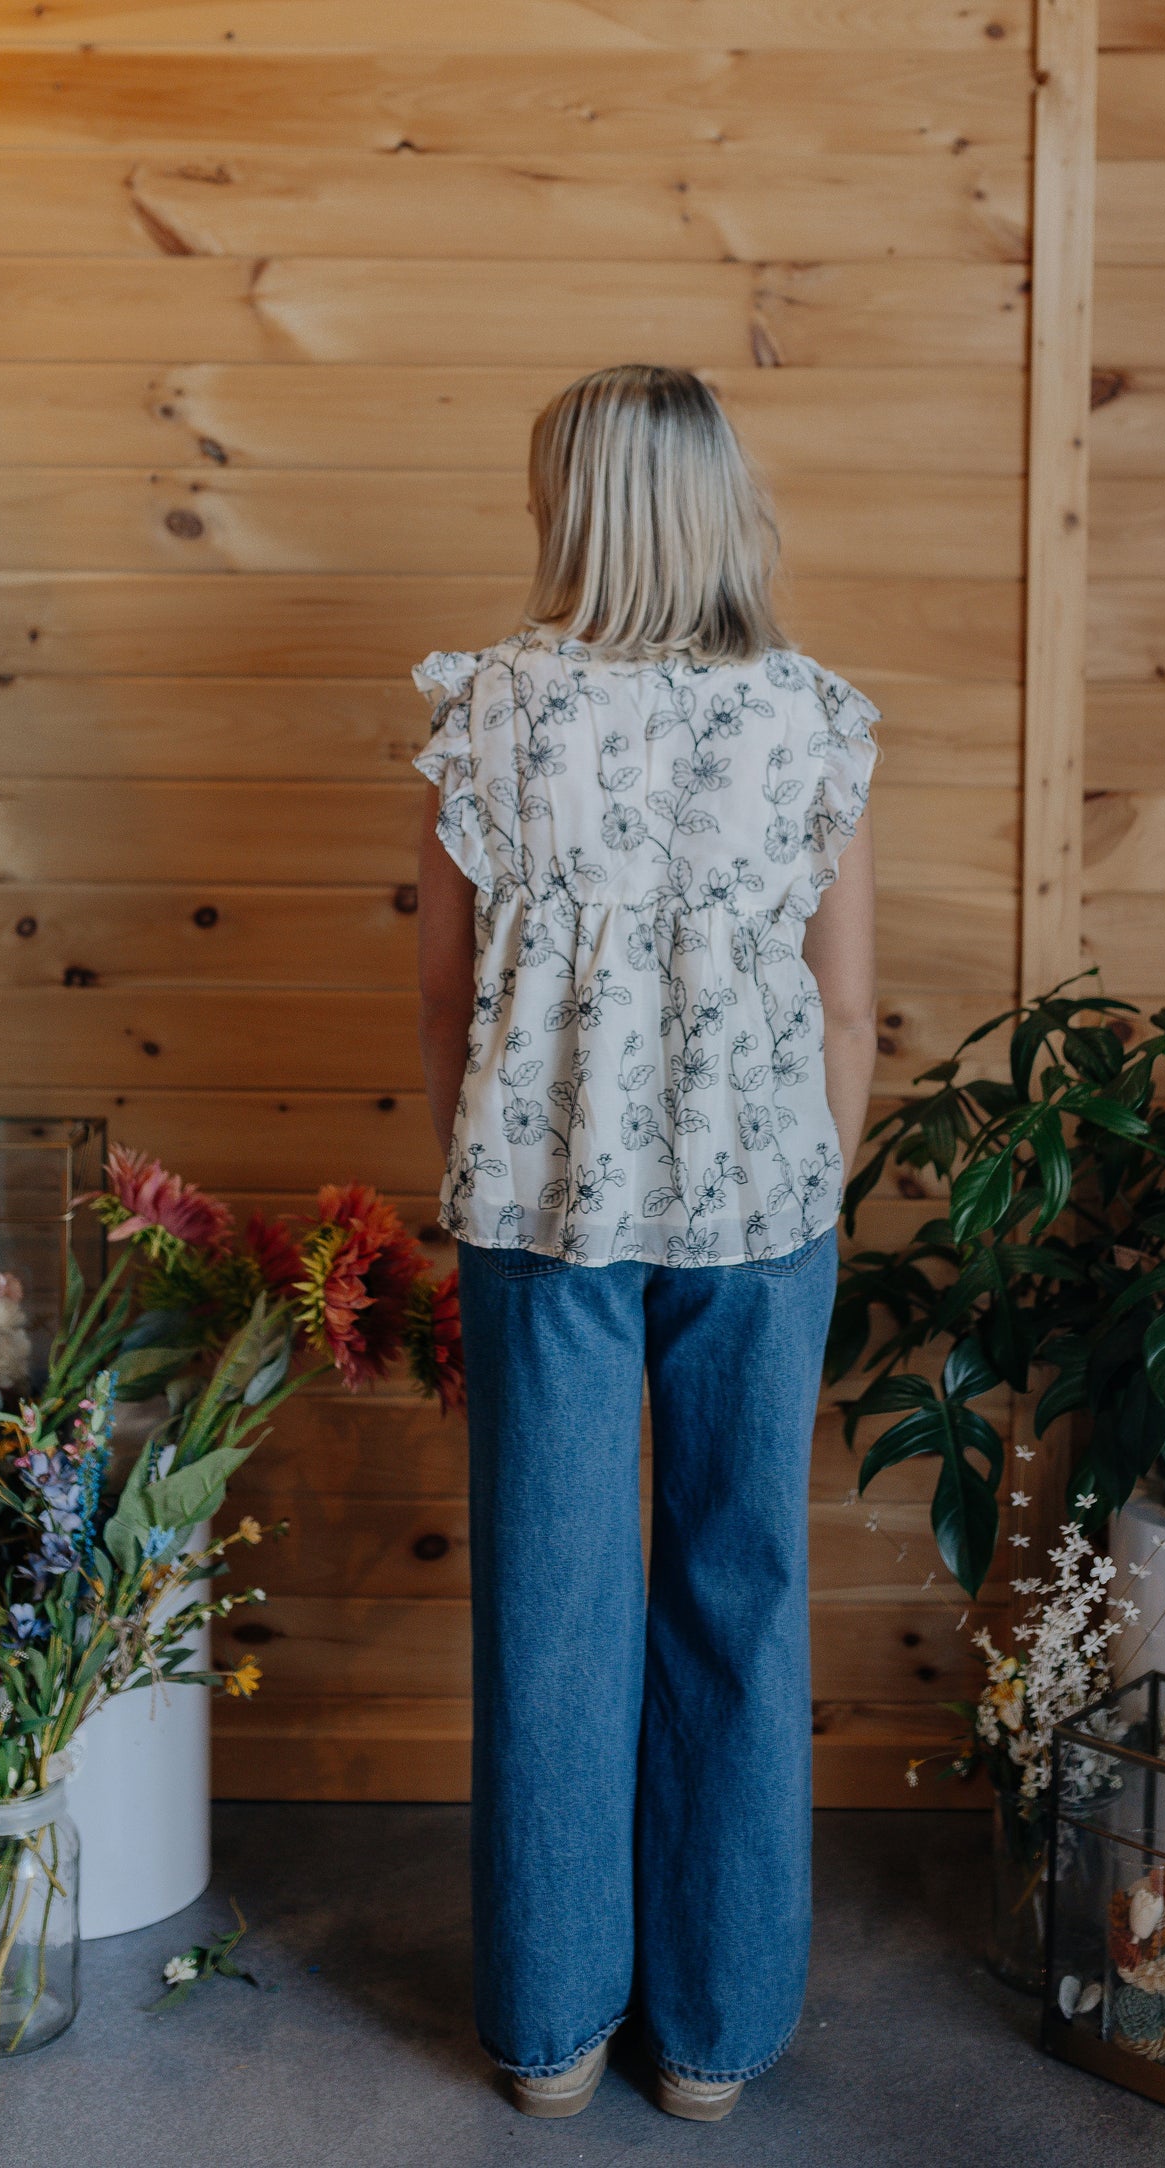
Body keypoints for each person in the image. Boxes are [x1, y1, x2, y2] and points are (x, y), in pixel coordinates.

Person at [413, 363, 878, 2123]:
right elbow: (846, 1014)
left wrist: (487, 1158)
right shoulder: (811, 720)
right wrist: (804, 1195)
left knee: (550, 1603)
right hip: (763, 1213)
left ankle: (546, 2041)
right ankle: (711, 2043)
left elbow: (449, 993)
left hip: (542, 1210)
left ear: (574, 507)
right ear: (719, 504)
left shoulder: (490, 713)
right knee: (740, 1592)